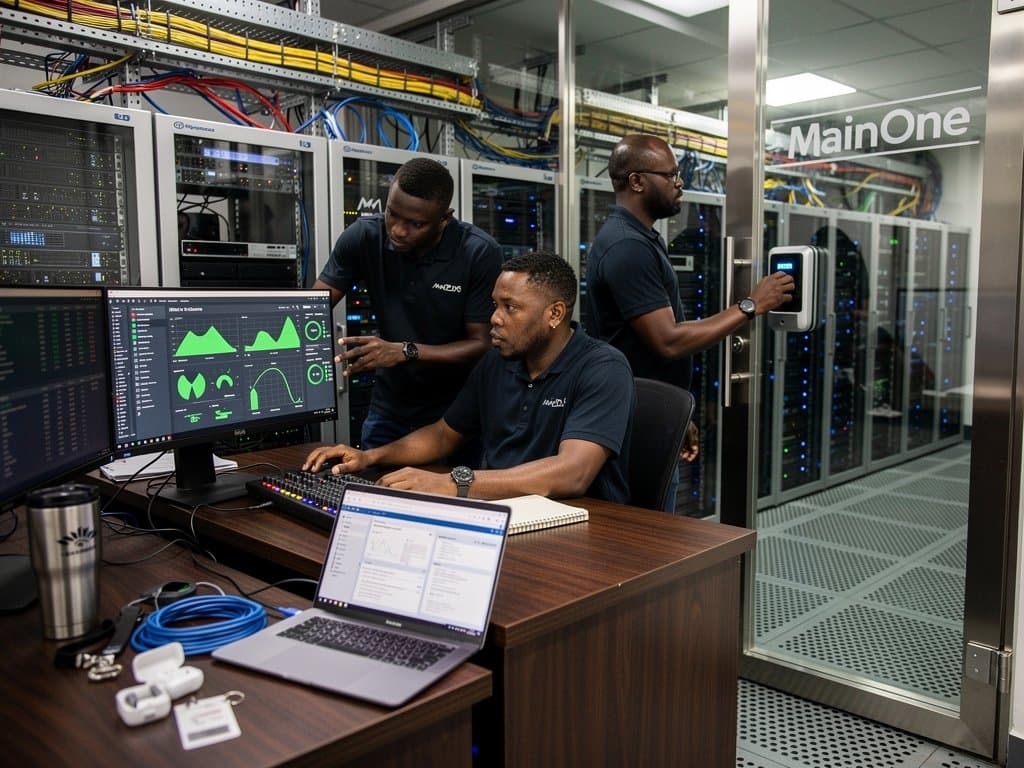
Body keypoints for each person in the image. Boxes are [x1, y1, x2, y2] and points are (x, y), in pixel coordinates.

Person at [304, 251, 634, 503]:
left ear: (555, 314)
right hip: (498, 507)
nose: (494, 318)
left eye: (510, 307)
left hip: (578, 526)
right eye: (495, 305)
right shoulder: (497, 362)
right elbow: (444, 435)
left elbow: (572, 472)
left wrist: (455, 483)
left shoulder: (603, 368)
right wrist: (369, 456)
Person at [584, 134, 794, 513]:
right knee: (646, 535)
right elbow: (668, 341)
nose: (680, 183)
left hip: (646, 411)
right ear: (637, 182)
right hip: (632, 419)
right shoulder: (626, 247)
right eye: (672, 175)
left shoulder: (639, 239)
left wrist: (677, 413)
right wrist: (750, 305)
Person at [314, 157, 503, 451]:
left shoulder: (478, 253)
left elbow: (482, 343)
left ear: (445, 218)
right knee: (375, 490)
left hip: (456, 415)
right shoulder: (364, 236)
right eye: (392, 213)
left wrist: (405, 351)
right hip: (389, 409)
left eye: (416, 224)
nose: (399, 230)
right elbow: (313, 308)